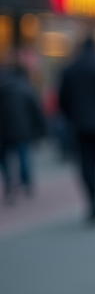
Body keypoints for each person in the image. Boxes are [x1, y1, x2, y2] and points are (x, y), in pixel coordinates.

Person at [58, 36, 95, 223]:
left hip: (78, 125)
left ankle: (91, 200)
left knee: (85, 163)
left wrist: (71, 117)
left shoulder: (70, 70)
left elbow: (62, 99)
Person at [0, 53, 47, 204]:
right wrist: (42, 129)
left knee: (5, 160)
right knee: (23, 156)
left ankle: (9, 186)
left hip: (3, 131)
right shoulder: (24, 88)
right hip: (22, 129)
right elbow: (35, 110)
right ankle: (26, 183)